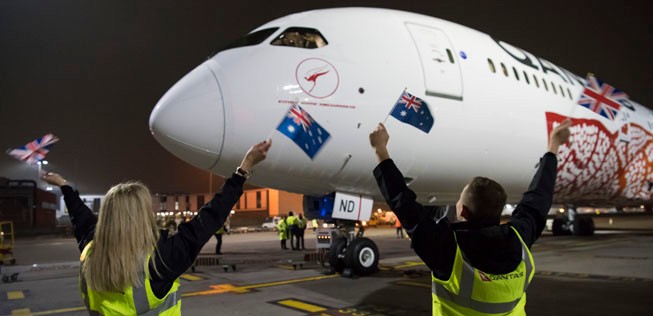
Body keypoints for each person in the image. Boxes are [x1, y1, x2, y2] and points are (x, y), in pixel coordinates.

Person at [43, 140, 271, 315]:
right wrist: (245, 167)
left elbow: (80, 216)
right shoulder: (160, 260)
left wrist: (63, 185)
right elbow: (210, 216)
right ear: (142, 216)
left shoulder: (90, 252)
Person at [369, 119, 571, 315]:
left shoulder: (448, 249)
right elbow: (539, 197)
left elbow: (404, 204)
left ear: (462, 211)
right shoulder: (519, 238)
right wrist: (554, 146)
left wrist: (380, 149)